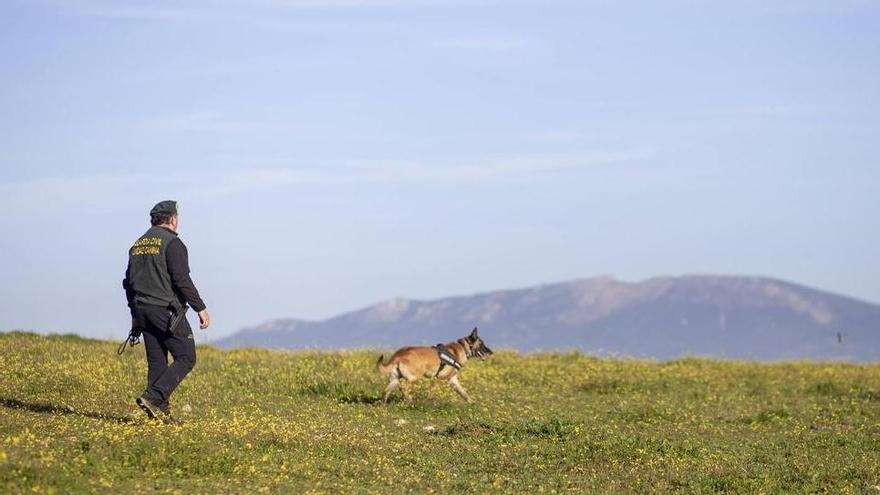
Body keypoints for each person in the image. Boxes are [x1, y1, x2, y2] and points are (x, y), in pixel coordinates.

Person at [123, 200, 210, 424]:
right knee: (186, 356)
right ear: (172, 219)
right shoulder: (172, 243)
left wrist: (135, 316)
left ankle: (159, 414)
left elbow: (128, 282)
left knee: (157, 361)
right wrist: (200, 307)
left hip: (142, 310)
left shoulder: (138, 245)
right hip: (165, 310)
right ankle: (153, 397)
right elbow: (181, 279)